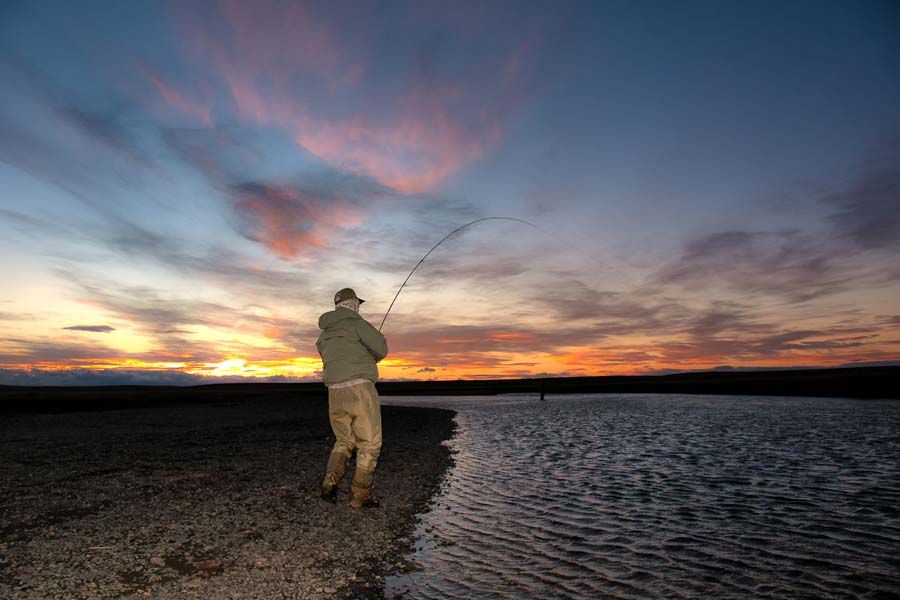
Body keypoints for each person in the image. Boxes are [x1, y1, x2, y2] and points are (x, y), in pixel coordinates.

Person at [316, 287, 389, 509]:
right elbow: (382, 349)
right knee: (370, 443)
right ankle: (359, 496)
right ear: (353, 304)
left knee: (344, 440)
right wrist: (369, 356)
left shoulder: (324, 334)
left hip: (335, 392)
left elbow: (333, 355)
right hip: (360, 389)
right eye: (357, 304)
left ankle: (330, 485)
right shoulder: (358, 324)